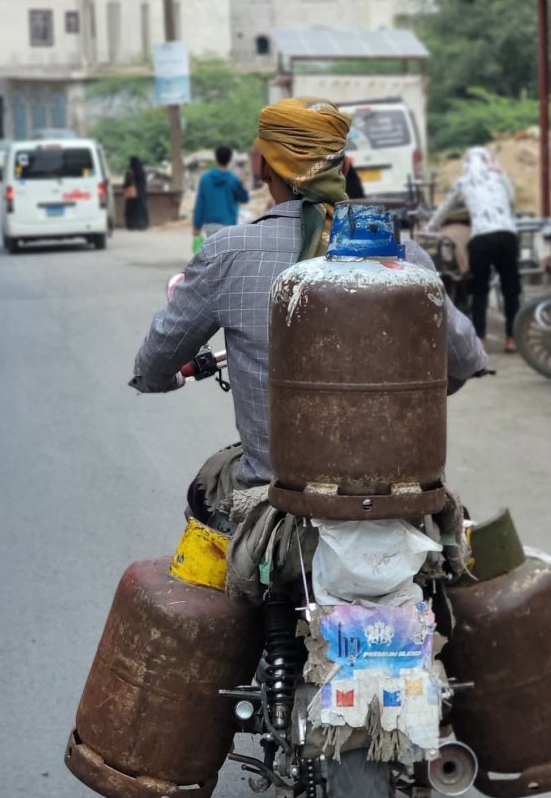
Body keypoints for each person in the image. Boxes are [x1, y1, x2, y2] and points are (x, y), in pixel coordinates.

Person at [132, 97, 486, 501]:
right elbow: (466, 358)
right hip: (400, 496)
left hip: (277, 495)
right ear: (345, 168)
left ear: (263, 167)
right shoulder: (406, 258)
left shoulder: (227, 253)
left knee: (206, 490)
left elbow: (156, 362)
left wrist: (156, 379)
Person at [427, 145, 521, 352]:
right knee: (510, 289)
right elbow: (512, 202)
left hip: (481, 239)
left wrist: (430, 227)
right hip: (507, 235)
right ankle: (511, 338)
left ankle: (481, 338)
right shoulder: (501, 178)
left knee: (480, 290)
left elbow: (445, 208)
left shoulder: (464, 181)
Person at [193, 145, 249, 239]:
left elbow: (200, 204)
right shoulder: (233, 180)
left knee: (214, 252)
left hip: (210, 224)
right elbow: (245, 198)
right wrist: (243, 184)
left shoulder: (205, 179)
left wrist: (197, 226)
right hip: (228, 224)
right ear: (230, 159)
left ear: (216, 158)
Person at [123, 156, 149, 231]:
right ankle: (142, 225)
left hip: (132, 195)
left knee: (132, 210)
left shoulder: (130, 172)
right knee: (141, 210)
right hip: (141, 194)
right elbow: (144, 183)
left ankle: (132, 225)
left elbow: (126, 184)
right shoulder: (142, 172)